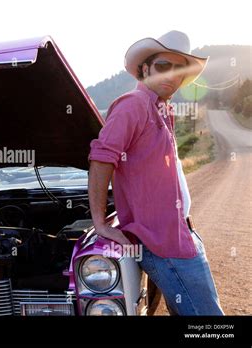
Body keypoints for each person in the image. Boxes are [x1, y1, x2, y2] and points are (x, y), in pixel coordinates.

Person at [88, 30, 224, 315]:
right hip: (162, 244)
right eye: (163, 65)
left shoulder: (163, 108)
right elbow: (101, 159)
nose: (172, 75)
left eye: (180, 69)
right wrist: (100, 224)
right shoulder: (133, 105)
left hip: (179, 233)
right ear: (145, 68)